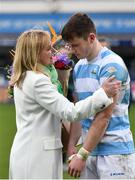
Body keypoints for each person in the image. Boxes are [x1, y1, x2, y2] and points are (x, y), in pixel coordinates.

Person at [9, 29, 120, 179]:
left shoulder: (27, 76)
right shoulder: (37, 80)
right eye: (48, 49)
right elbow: (71, 112)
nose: (53, 52)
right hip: (37, 157)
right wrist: (103, 93)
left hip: (32, 153)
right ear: (35, 53)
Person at [61, 13, 135, 179]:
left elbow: (104, 117)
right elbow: (79, 112)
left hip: (115, 155)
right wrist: (72, 146)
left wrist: (82, 154)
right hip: (88, 152)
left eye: (76, 45)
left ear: (91, 37)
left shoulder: (112, 65)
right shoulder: (79, 67)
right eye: (70, 46)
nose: (72, 50)